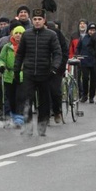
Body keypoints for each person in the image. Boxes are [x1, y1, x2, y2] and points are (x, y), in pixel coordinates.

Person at [13, 8, 62, 136]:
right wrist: (16, 70)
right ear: (32, 20)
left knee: (44, 102)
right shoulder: (27, 34)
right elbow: (20, 54)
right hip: (29, 72)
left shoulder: (51, 35)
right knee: (27, 100)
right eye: (35, 19)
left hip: (45, 73)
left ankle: (42, 127)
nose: (37, 22)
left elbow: (57, 53)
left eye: (40, 19)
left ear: (44, 20)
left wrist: (54, 68)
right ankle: (28, 126)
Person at [0, 26, 24, 127]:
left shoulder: (26, 47)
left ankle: (19, 119)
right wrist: (1, 66)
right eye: (16, 33)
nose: (18, 35)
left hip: (22, 75)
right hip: (9, 75)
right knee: (9, 97)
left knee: (19, 97)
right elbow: (1, 59)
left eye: (20, 33)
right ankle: (10, 116)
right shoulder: (7, 47)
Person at [47, 20, 69, 124]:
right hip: (44, 68)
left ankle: (57, 111)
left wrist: (60, 67)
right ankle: (45, 112)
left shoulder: (59, 37)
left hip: (57, 68)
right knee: (45, 91)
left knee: (55, 91)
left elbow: (64, 53)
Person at [76, 22, 96, 103]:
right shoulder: (83, 38)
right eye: (90, 30)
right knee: (85, 78)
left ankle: (91, 96)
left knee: (93, 79)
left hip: (95, 61)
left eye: (94, 30)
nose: (92, 32)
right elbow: (78, 48)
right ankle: (84, 95)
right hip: (84, 61)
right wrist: (78, 55)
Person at [68, 19, 88, 100]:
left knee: (85, 77)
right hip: (76, 58)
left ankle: (85, 93)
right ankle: (80, 93)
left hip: (86, 59)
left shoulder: (89, 35)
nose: (82, 25)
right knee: (76, 77)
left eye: (84, 24)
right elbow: (71, 48)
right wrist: (71, 58)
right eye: (80, 24)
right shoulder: (74, 35)